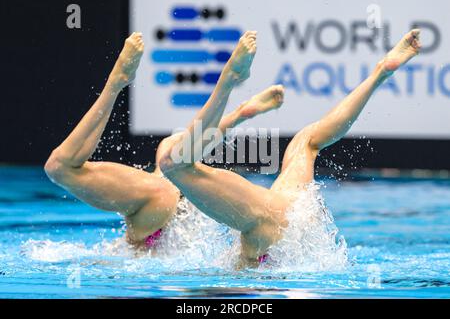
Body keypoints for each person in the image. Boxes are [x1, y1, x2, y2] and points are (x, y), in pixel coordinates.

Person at [158, 29, 422, 267]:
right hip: (296, 212)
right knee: (307, 141)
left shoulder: (156, 188)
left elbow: (177, 158)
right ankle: (380, 73)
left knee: (172, 161)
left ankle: (228, 81)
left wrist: (235, 102)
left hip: (271, 225)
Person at [44, 32, 285, 251]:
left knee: (59, 168)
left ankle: (115, 85)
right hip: (170, 197)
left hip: (155, 206)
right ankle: (226, 85)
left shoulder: (158, 186)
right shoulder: (178, 177)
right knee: (173, 157)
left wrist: (239, 116)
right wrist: (239, 115)